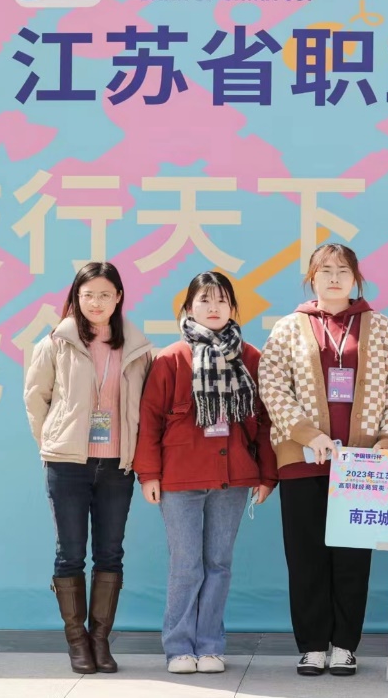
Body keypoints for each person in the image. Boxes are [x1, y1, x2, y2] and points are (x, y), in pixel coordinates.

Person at [258, 244, 388, 677]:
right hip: (303, 460)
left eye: (343, 270)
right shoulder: (289, 328)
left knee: (351, 559)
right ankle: (311, 645)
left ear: (356, 278)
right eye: (324, 270)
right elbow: (272, 385)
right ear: (311, 278)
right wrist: (308, 434)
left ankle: (344, 644)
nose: (334, 278)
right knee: (306, 557)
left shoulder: (381, 327)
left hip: (361, 464)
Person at [134, 271, 277, 674]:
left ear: (233, 308)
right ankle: (179, 647)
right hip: (180, 480)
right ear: (188, 308)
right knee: (186, 564)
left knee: (219, 563)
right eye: (204, 300)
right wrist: (149, 474)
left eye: (221, 301)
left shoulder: (250, 357)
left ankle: (211, 645)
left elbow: (265, 422)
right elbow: (150, 419)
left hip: (233, 478)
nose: (213, 308)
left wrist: (267, 475)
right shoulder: (170, 359)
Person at [24, 261, 153, 674]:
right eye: (88, 295)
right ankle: (76, 641)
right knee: (70, 554)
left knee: (110, 553)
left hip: (117, 465)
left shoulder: (137, 349)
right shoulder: (55, 343)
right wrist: (54, 442)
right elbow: (36, 398)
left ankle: (100, 639)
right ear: (76, 298)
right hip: (68, 465)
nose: (96, 302)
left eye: (104, 294)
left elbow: (146, 408)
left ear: (119, 298)